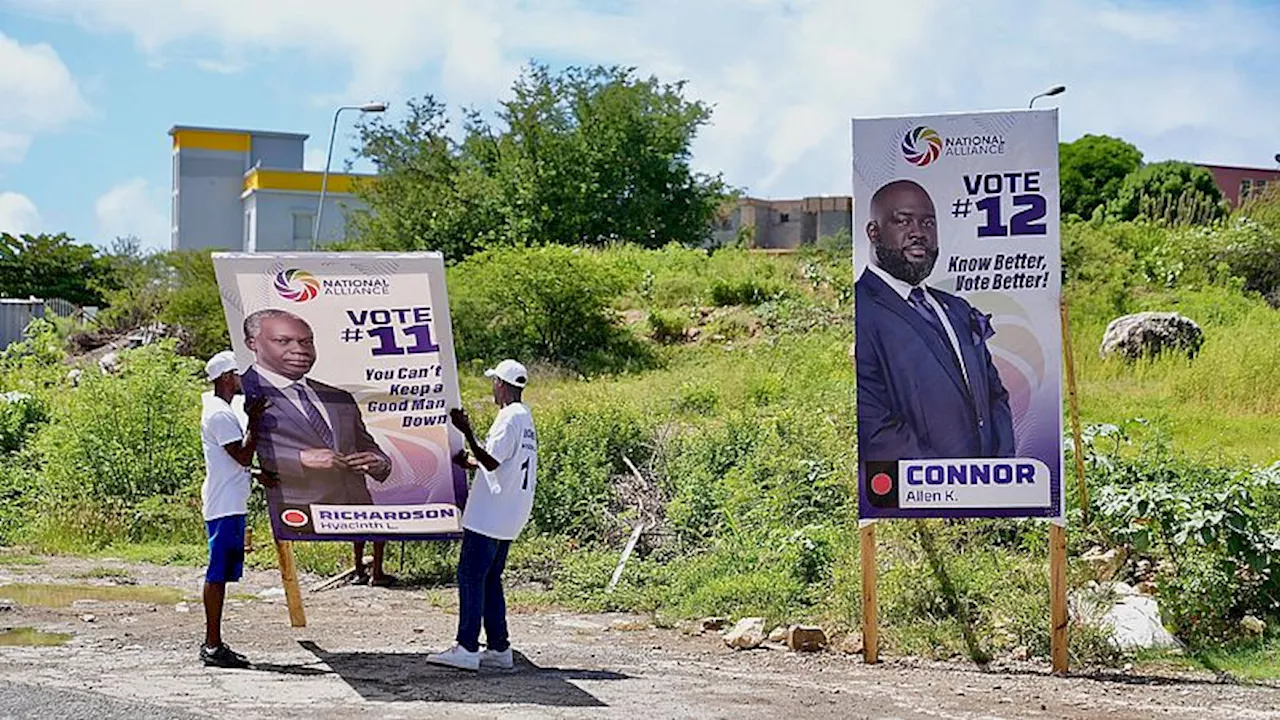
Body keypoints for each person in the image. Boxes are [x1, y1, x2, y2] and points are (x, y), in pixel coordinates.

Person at [855, 179, 1015, 462]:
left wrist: (997, 468)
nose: (918, 233)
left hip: (987, 492)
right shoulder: (860, 310)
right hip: (918, 494)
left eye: (928, 224)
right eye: (903, 221)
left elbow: (995, 396)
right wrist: (945, 483)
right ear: (873, 232)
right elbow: (873, 420)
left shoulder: (957, 308)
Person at [428, 359, 538, 672]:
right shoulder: (525, 416)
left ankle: (466, 647)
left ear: (501, 385)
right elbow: (504, 463)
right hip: (511, 512)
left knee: (471, 576)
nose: (493, 387)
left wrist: (467, 432)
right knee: (490, 578)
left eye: (494, 382)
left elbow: (491, 461)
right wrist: (471, 463)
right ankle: (499, 647)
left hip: (490, 513)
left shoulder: (508, 417)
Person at [239, 309, 392, 525]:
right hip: (297, 520)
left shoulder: (338, 397)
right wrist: (299, 459)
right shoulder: (241, 392)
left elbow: (367, 446)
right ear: (252, 343)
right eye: (283, 341)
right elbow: (233, 457)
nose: (300, 350)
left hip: (359, 519)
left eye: (307, 342)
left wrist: (378, 462)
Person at [199, 350, 269, 668]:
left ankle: (215, 642)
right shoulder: (220, 415)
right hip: (224, 504)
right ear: (227, 377)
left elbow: (234, 462)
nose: (244, 380)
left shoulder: (222, 410)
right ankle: (212, 645)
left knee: (223, 573)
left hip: (229, 500)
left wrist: (257, 474)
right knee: (217, 573)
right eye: (239, 374)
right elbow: (241, 455)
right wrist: (255, 421)